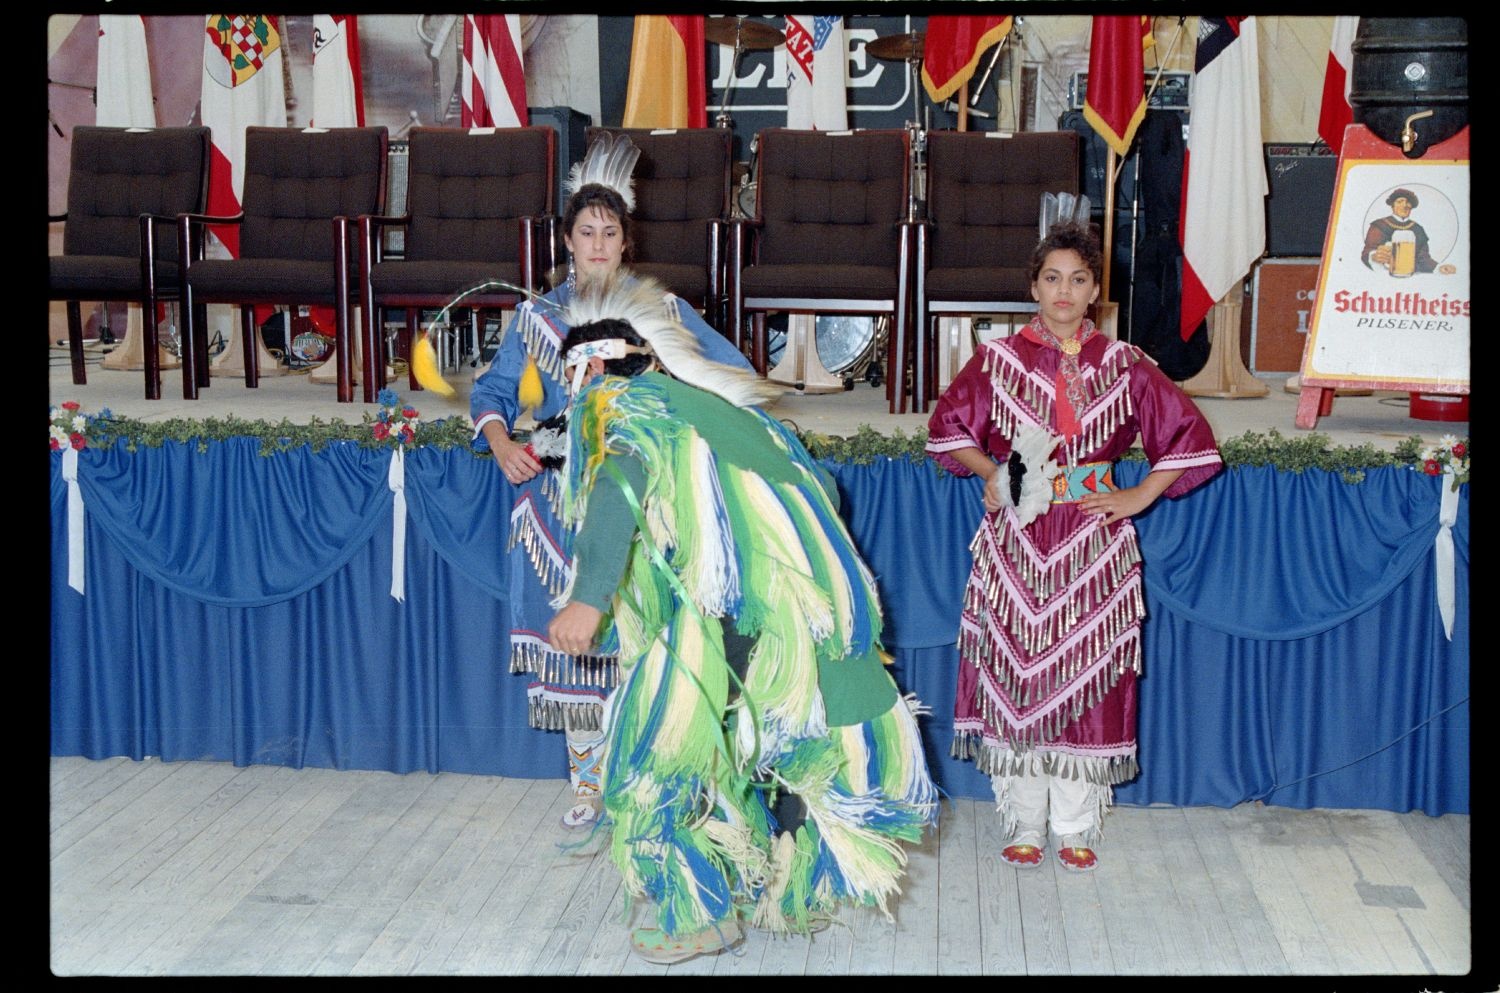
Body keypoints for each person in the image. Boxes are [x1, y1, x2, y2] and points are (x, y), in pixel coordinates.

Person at [546, 274, 938, 963]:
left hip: (729, 610)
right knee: (773, 741)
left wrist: (589, 594)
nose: (572, 390)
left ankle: (697, 911)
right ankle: (787, 884)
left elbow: (620, 484)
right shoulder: (724, 410)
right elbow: (823, 487)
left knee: (659, 749)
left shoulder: (627, 405)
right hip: (802, 611)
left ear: (595, 365)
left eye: (573, 373)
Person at [469, 132, 753, 830]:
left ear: (626, 242)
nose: (598, 242)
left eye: (610, 231)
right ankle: (589, 781)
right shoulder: (535, 317)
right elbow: (493, 393)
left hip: (639, 494)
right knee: (576, 643)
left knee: (641, 633)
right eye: (586, 231)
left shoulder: (660, 312)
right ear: (567, 241)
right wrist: (502, 440)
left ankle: (650, 778)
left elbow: (727, 375)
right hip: (559, 497)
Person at [925, 222, 1221, 873]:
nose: (1064, 291)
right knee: (1018, 672)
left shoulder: (1124, 363)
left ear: (1095, 292)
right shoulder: (998, 360)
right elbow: (948, 427)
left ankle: (1074, 822)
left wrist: (1139, 494)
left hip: (1093, 543)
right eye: (1052, 278)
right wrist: (994, 475)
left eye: (1078, 279)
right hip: (1019, 542)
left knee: (1087, 677)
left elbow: (1189, 436)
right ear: (1034, 285)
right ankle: (1025, 819)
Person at [1361, 187, 1437, 274]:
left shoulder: (1418, 229)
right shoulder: (1379, 225)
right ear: (1393, 206)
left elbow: (1424, 258)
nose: (1404, 205)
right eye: (1400, 201)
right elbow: (1367, 252)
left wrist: (1439, 268)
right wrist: (1374, 256)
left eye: (1408, 202)